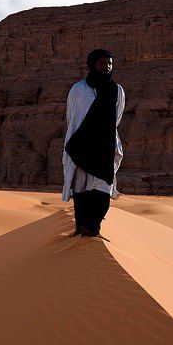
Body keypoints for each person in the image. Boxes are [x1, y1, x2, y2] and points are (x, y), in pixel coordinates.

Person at [62, 49, 126, 238]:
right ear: (92, 65)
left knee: (102, 190)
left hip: (104, 147)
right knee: (80, 189)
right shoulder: (79, 89)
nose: (106, 66)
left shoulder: (117, 90)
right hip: (82, 146)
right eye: (102, 63)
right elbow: (71, 116)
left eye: (110, 63)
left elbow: (118, 117)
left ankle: (92, 229)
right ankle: (81, 226)